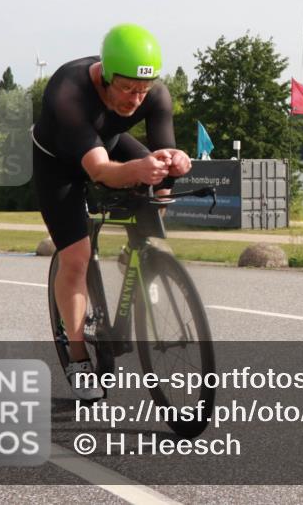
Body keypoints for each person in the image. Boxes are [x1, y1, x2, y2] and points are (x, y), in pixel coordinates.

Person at [31, 24, 192, 400]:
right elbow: (101, 172)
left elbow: (163, 160)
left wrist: (175, 161)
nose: (135, 100)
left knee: (157, 189)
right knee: (76, 257)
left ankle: (140, 259)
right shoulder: (68, 91)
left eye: (143, 91)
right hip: (59, 163)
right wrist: (136, 170)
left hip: (108, 143)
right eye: (126, 89)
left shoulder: (154, 94)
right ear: (104, 76)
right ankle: (76, 355)